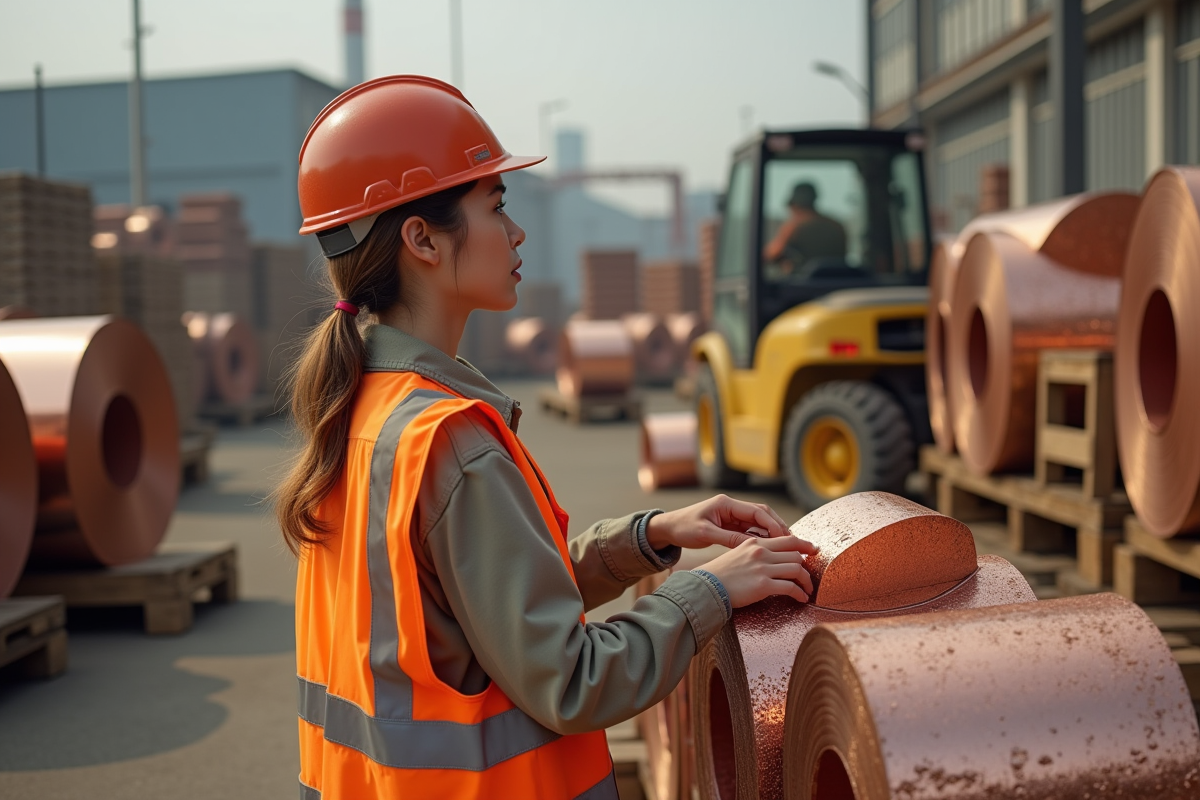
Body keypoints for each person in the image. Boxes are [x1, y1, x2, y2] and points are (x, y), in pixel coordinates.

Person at [278, 75, 816, 800]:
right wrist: (710, 591)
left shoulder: (365, 411)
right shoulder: (449, 442)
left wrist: (652, 535)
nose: (517, 231)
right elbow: (571, 680)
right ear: (421, 240)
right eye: (495, 206)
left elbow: (486, 604)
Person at [763, 181, 848, 275]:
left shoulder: (794, 227)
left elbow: (771, 255)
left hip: (804, 284)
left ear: (795, 205)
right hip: (836, 280)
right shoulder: (836, 226)